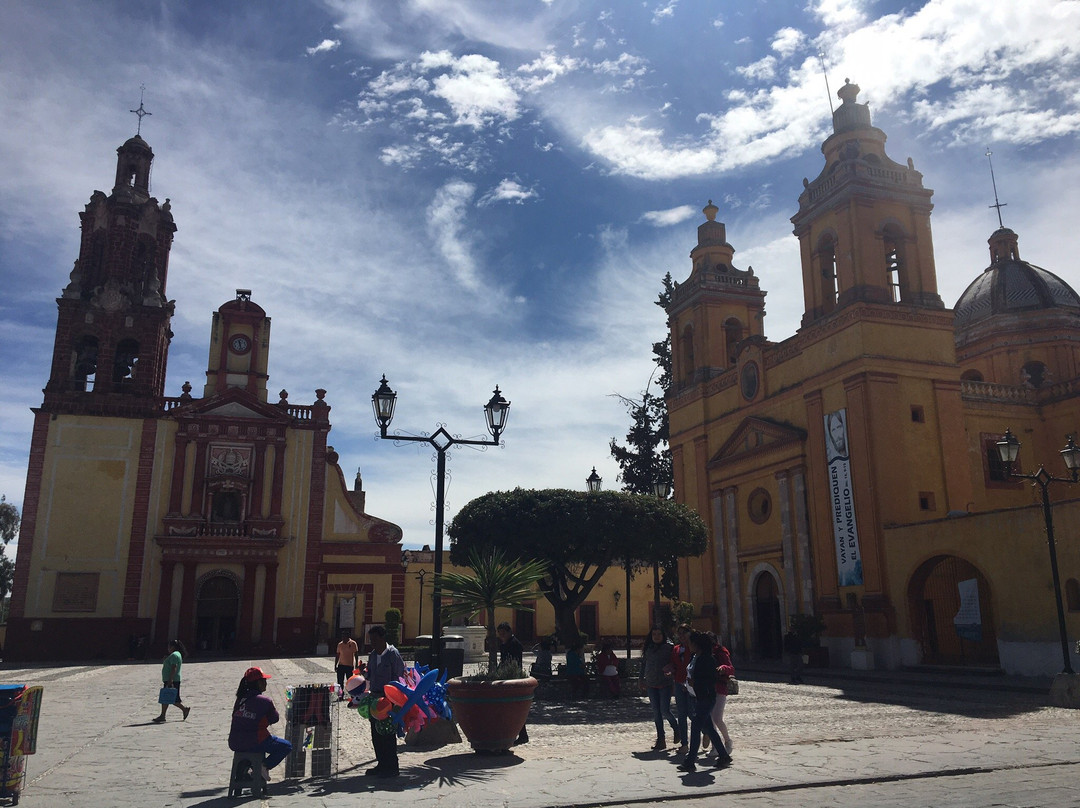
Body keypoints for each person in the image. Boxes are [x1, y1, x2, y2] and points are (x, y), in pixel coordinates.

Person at [677, 632, 733, 773]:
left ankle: (690, 761)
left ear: (697, 644)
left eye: (691, 643)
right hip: (696, 696)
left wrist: (696, 682)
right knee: (709, 728)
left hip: (706, 697)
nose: (689, 645)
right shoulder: (695, 657)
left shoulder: (708, 659)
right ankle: (724, 756)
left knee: (696, 728)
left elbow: (710, 679)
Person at [228, 666, 292, 782]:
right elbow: (275, 719)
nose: (266, 683)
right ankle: (263, 767)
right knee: (286, 746)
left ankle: (250, 771)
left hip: (235, 742)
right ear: (258, 683)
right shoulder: (264, 701)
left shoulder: (240, 699)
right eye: (264, 681)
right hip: (255, 741)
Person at [365, 624, 405, 777]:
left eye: (374, 639)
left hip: (388, 699)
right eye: (371, 639)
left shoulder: (393, 654)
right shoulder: (373, 655)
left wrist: (394, 699)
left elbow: (400, 676)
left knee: (388, 733)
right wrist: (364, 674)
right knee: (376, 733)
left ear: (382, 638)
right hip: (374, 698)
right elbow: (370, 674)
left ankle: (392, 766)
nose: (372, 642)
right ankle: (381, 763)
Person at [640, 626, 679, 750]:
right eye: (654, 634)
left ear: (663, 636)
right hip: (651, 683)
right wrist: (641, 679)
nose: (656, 637)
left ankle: (676, 728)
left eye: (659, 634)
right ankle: (660, 739)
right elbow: (644, 664)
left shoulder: (669, 648)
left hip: (665, 684)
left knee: (665, 710)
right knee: (656, 713)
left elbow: (675, 664)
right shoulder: (648, 649)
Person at [496, 622, 528, 744]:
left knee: (515, 708)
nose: (501, 636)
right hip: (506, 677)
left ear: (509, 632)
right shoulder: (505, 644)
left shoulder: (514, 644)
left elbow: (513, 662)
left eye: (503, 633)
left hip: (513, 677)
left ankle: (522, 734)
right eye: (500, 634)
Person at [708, 634, 735, 756]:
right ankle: (714, 746)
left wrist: (723, 668)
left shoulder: (721, 652)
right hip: (707, 690)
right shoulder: (701, 653)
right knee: (710, 721)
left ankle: (728, 741)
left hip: (719, 688)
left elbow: (731, 668)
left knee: (717, 718)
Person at [153, 639, 190, 723]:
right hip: (173, 679)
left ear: (172, 647)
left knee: (171, 698)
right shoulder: (176, 654)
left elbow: (174, 667)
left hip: (172, 680)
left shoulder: (174, 655)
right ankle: (163, 715)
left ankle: (184, 709)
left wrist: (170, 680)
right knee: (167, 697)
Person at [670, 624, 693, 754]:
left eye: (684, 632)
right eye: (679, 633)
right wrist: (670, 669)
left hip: (691, 684)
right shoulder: (676, 649)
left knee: (692, 713)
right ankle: (684, 744)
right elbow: (674, 664)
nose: (682, 635)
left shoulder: (694, 648)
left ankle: (706, 731)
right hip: (679, 683)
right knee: (681, 714)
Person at [335, 630, 359, 698]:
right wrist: (335, 665)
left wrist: (356, 663)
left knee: (350, 681)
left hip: (349, 666)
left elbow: (356, 654)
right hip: (341, 665)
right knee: (340, 681)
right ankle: (340, 695)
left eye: (345, 636)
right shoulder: (340, 644)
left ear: (348, 636)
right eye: (342, 636)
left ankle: (352, 694)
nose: (343, 638)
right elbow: (337, 655)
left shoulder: (353, 643)